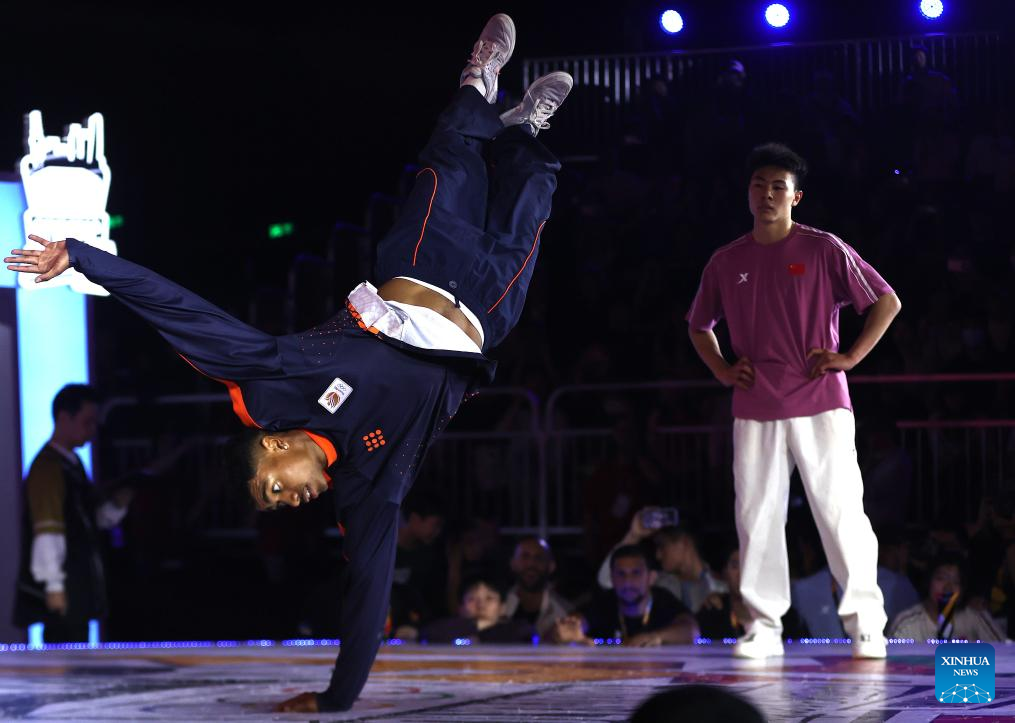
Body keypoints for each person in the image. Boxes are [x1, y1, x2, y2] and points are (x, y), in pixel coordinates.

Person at [6, 14, 573, 713]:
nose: (289, 501)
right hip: (485, 315)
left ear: (273, 446)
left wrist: (83, 256)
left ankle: (477, 85)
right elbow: (366, 592)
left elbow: (182, 311)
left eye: (273, 489)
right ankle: (523, 131)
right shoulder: (367, 484)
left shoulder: (273, 380)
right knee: (529, 203)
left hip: (422, 268)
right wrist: (337, 699)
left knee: (452, 162)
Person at [686, 142, 902, 659]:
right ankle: (762, 626)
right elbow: (699, 326)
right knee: (756, 515)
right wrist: (720, 367)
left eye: (778, 187)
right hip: (754, 402)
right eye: (758, 185)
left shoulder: (823, 247)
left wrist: (849, 356)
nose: (766, 194)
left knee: (840, 511)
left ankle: (866, 624)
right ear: (748, 193)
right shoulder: (726, 260)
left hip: (821, 397)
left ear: (796, 196)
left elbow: (886, 301)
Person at [13, 384, 132, 642]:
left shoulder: (72, 464)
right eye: (87, 422)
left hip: (78, 586)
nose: (92, 431)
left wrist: (116, 506)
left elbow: (87, 520)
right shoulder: (47, 467)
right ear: (64, 418)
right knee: (66, 659)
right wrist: (54, 585)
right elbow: (48, 528)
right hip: (65, 590)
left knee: (76, 656)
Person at [550, 545, 698, 646]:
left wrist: (657, 636)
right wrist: (568, 631)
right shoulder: (605, 601)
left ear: (651, 577)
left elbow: (691, 631)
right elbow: (577, 621)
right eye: (621, 574)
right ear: (612, 578)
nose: (627, 581)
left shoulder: (663, 599)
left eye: (636, 573)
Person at [595, 513, 726, 613]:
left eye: (662, 545)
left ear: (684, 542)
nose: (658, 555)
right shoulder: (656, 581)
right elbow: (606, 580)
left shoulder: (722, 586)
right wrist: (633, 535)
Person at [888, 555, 1005, 642]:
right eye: (941, 579)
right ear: (928, 582)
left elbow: (1006, 656)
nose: (948, 588)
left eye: (956, 582)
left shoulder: (975, 615)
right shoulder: (906, 623)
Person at [419, 576, 534, 644]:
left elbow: (528, 635)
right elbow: (428, 634)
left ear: (502, 608)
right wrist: (472, 629)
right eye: (472, 599)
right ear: (461, 607)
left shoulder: (516, 629)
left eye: (489, 598)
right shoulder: (446, 628)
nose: (481, 605)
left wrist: (482, 632)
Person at [502, 535, 572, 638]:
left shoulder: (565, 612)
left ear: (551, 566)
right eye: (525, 556)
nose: (531, 564)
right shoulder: (496, 605)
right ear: (513, 563)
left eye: (539, 558)